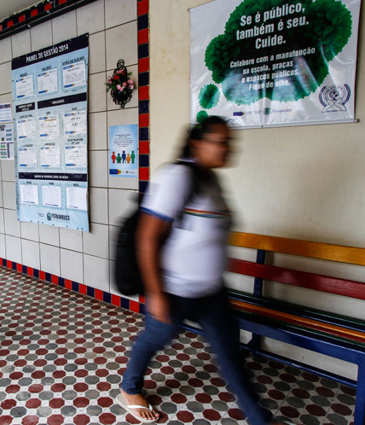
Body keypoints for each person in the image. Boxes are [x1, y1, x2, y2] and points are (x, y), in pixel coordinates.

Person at [118, 116, 283, 425]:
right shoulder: (177, 178)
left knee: (231, 356)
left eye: (229, 142)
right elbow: (147, 237)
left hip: (211, 292)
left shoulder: (211, 180)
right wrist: (155, 294)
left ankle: (261, 419)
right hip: (174, 290)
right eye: (220, 142)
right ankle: (129, 388)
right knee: (155, 338)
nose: (228, 148)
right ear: (198, 143)